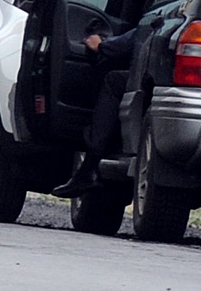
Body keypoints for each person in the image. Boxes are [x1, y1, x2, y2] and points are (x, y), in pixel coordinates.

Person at [56, 25, 142, 197]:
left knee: (114, 80)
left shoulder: (169, 13)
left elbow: (124, 44)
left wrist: (101, 44)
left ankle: (91, 165)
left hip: (155, 88)